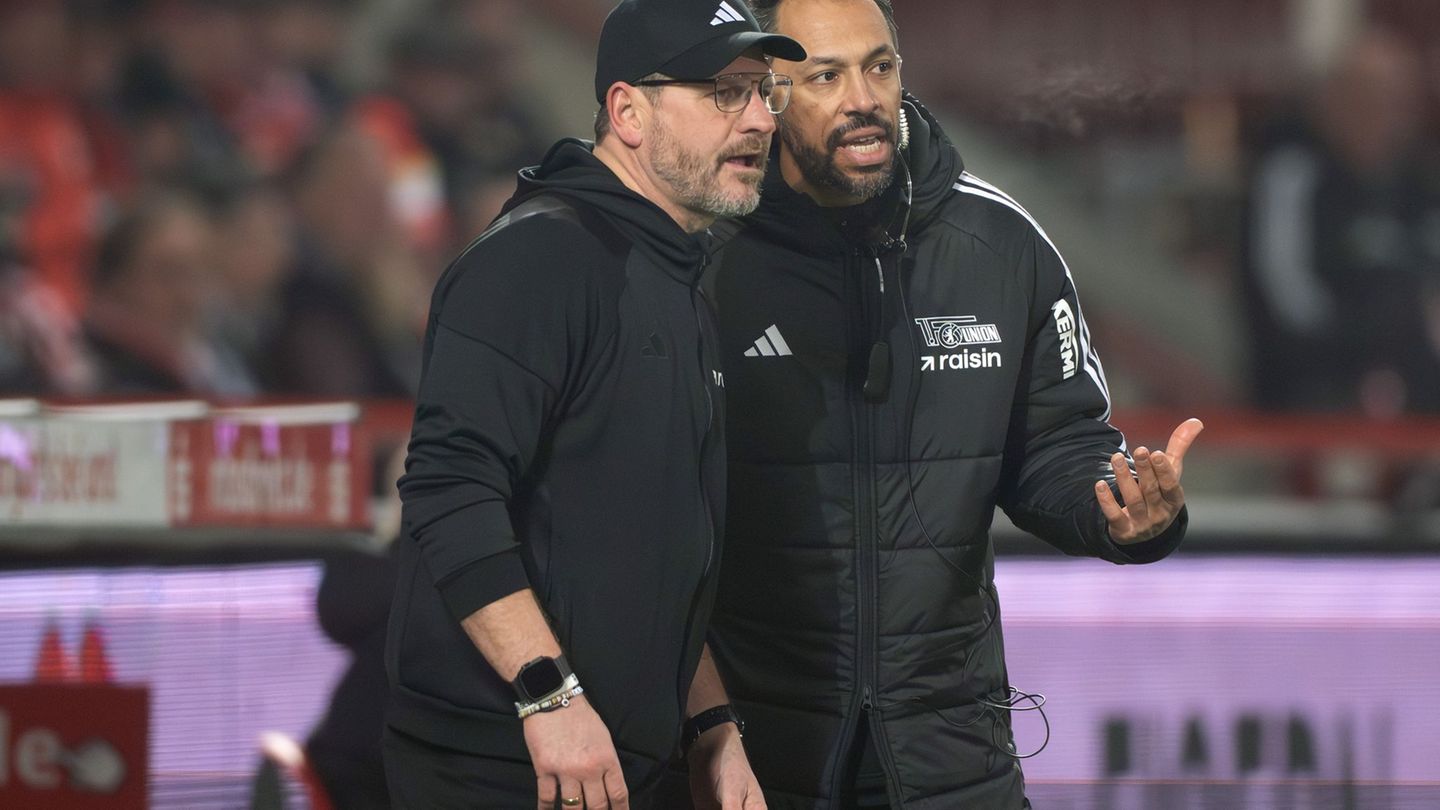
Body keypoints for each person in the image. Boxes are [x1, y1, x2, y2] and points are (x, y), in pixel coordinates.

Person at [700, 0, 1204, 807]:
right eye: (826, 75)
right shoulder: (704, 257)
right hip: (751, 763)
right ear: (771, 93)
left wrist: (1116, 505)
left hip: (952, 759)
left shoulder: (1001, 246)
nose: (863, 96)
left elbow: (1059, 444)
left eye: (880, 66)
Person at [383, 1, 805, 807]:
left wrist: (711, 725)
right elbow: (448, 493)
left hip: (613, 759)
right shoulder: (541, 259)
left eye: (763, 91)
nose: (759, 119)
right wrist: (548, 695)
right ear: (628, 111)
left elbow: (663, 547)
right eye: (724, 92)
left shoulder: (678, 281)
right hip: (508, 761)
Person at [1240, 27, 1440, 417]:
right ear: (1330, 102)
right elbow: (1287, 297)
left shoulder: (1423, 184)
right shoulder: (1292, 177)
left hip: (1420, 404)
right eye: (1365, 98)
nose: (1383, 115)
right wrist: (1374, 343)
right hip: (1313, 402)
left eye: (1397, 101)